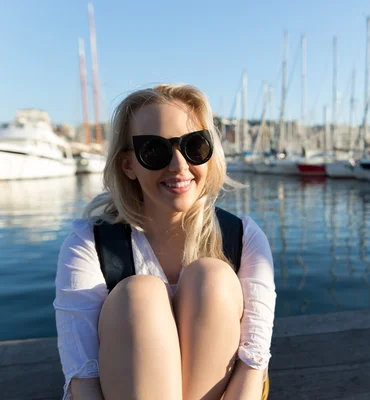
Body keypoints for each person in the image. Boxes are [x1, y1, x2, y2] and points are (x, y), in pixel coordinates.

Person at [53, 84, 276, 400]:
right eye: (154, 150)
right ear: (127, 165)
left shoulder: (242, 236)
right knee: (138, 295)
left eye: (195, 146)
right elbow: (83, 380)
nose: (179, 165)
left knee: (211, 278)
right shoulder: (89, 244)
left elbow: (253, 365)